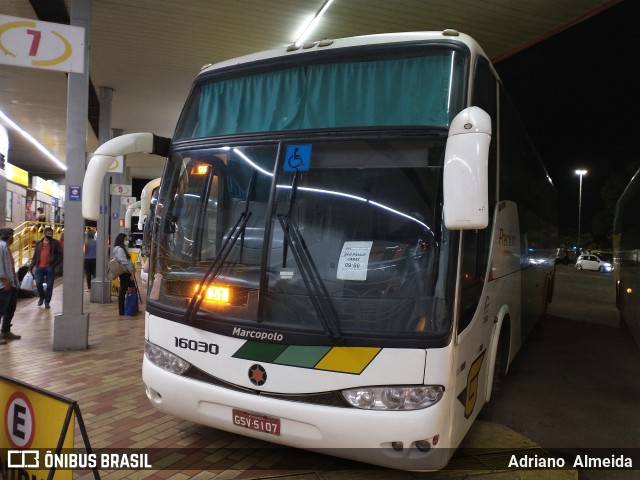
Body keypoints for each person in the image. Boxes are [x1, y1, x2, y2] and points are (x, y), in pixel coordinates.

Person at [30, 226, 63, 309]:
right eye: (48, 234)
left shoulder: (55, 243)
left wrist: (55, 264)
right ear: (44, 234)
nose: (50, 235)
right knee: (38, 283)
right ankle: (42, 297)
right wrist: (31, 266)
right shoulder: (39, 243)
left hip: (50, 267)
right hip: (39, 267)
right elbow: (35, 256)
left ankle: (47, 302)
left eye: (51, 234)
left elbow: (61, 254)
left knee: (50, 285)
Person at [0, 228, 20, 343]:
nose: (14, 238)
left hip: (11, 283)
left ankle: (5, 331)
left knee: (10, 308)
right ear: (9, 236)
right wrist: (5, 281)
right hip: (4, 284)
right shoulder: (1, 247)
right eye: (12, 235)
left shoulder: (6, 247)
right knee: (1, 309)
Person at [112, 233, 136, 316]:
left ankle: (131, 308)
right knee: (124, 291)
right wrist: (131, 272)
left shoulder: (118, 249)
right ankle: (123, 311)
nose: (127, 241)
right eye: (126, 239)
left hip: (125, 273)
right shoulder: (120, 250)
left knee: (131, 289)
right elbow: (125, 262)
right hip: (126, 273)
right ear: (121, 240)